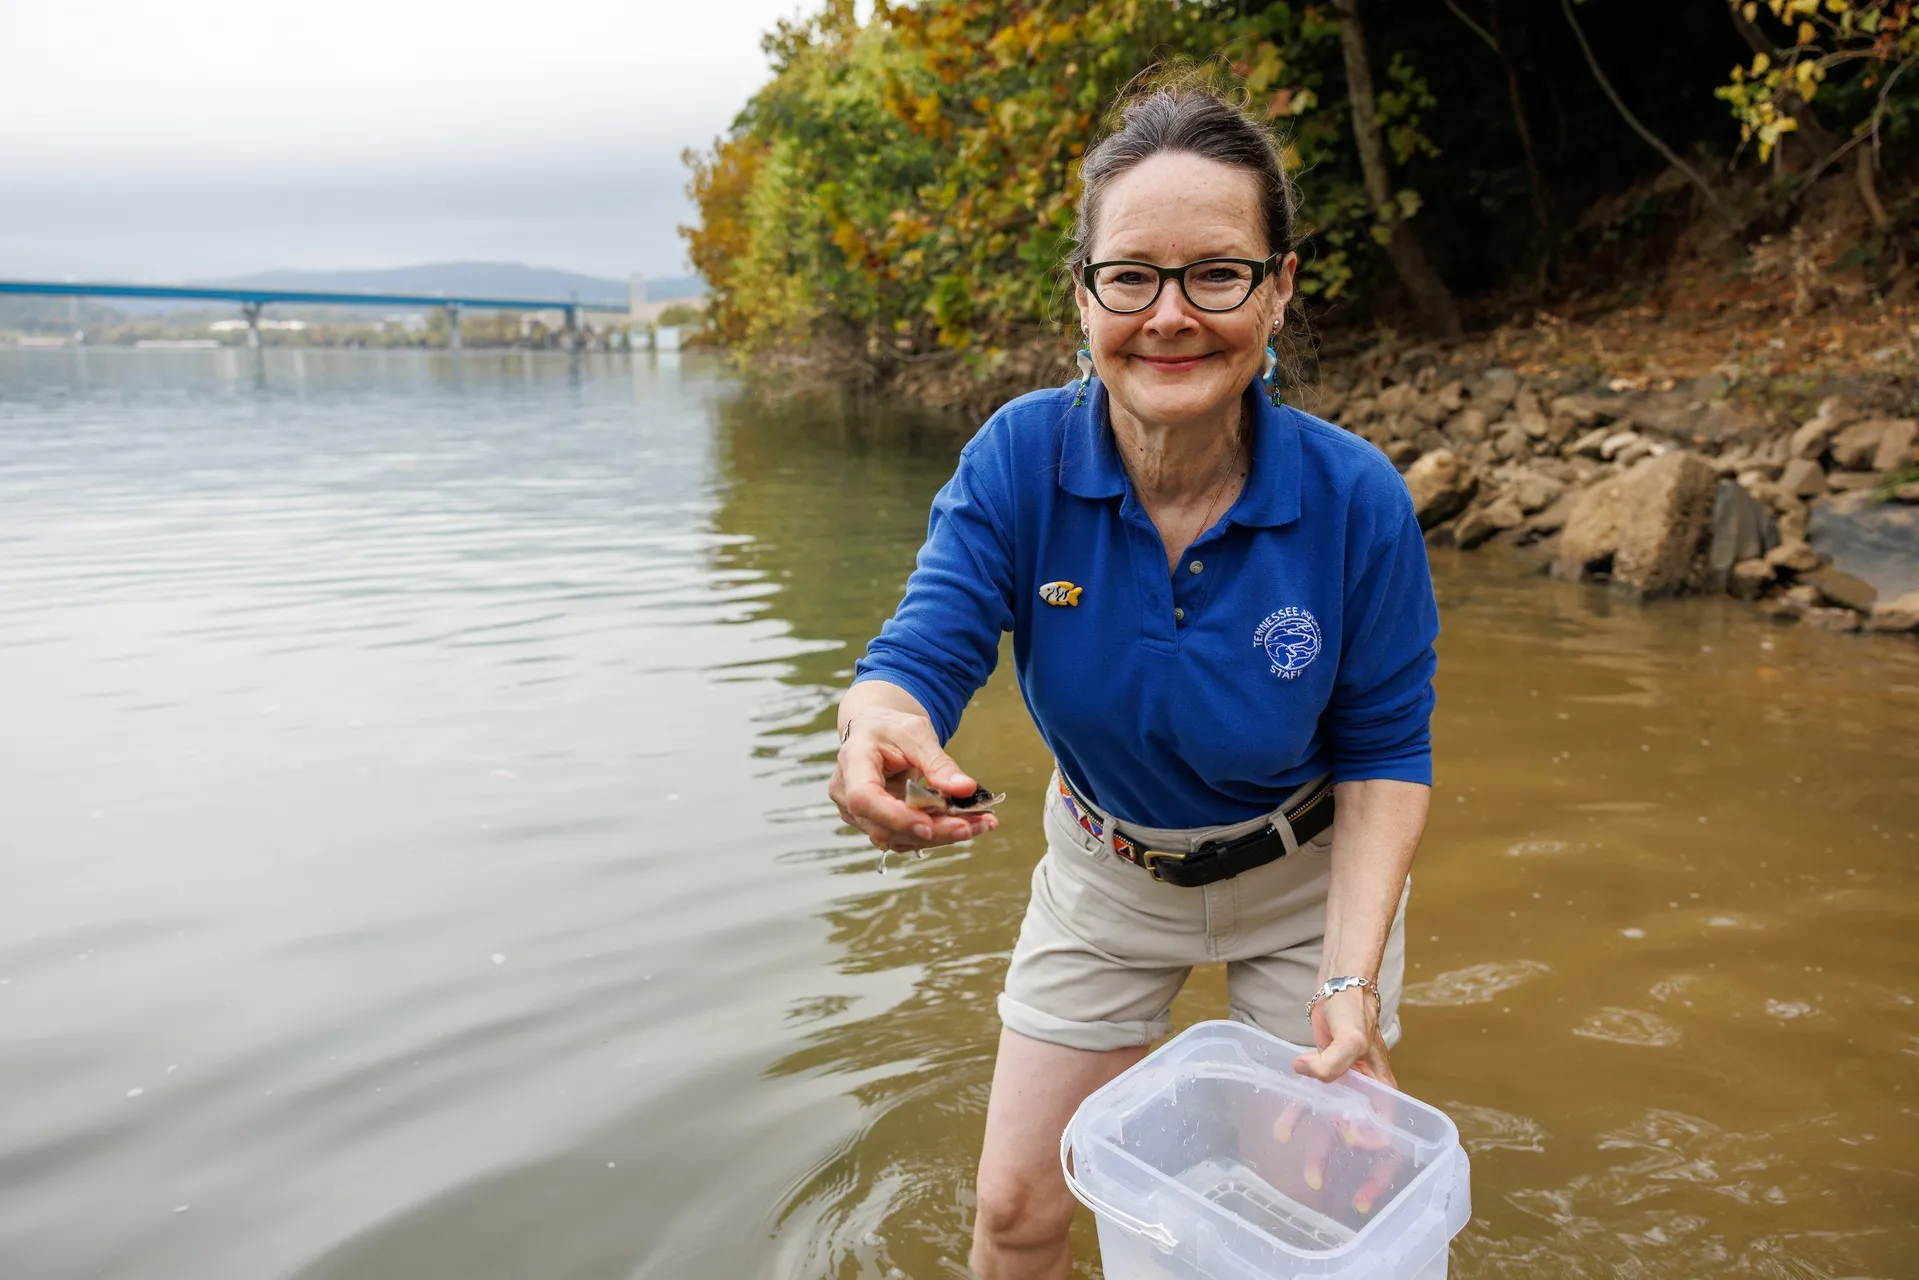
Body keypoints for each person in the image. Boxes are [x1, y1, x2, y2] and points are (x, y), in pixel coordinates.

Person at [826, 77, 1439, 1280]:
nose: (1169, 315)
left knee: (1288, 1225)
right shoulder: (1019, 458)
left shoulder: (1354, 494)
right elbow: (917, 653)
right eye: (1131, 276)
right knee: (1015, 1209)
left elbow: (1383, 750)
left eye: (1216, 272)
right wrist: (876, 731)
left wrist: (1349, 980)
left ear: (1278, 288)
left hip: (1306, 881)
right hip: (1105, 869)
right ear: (1084, 292)